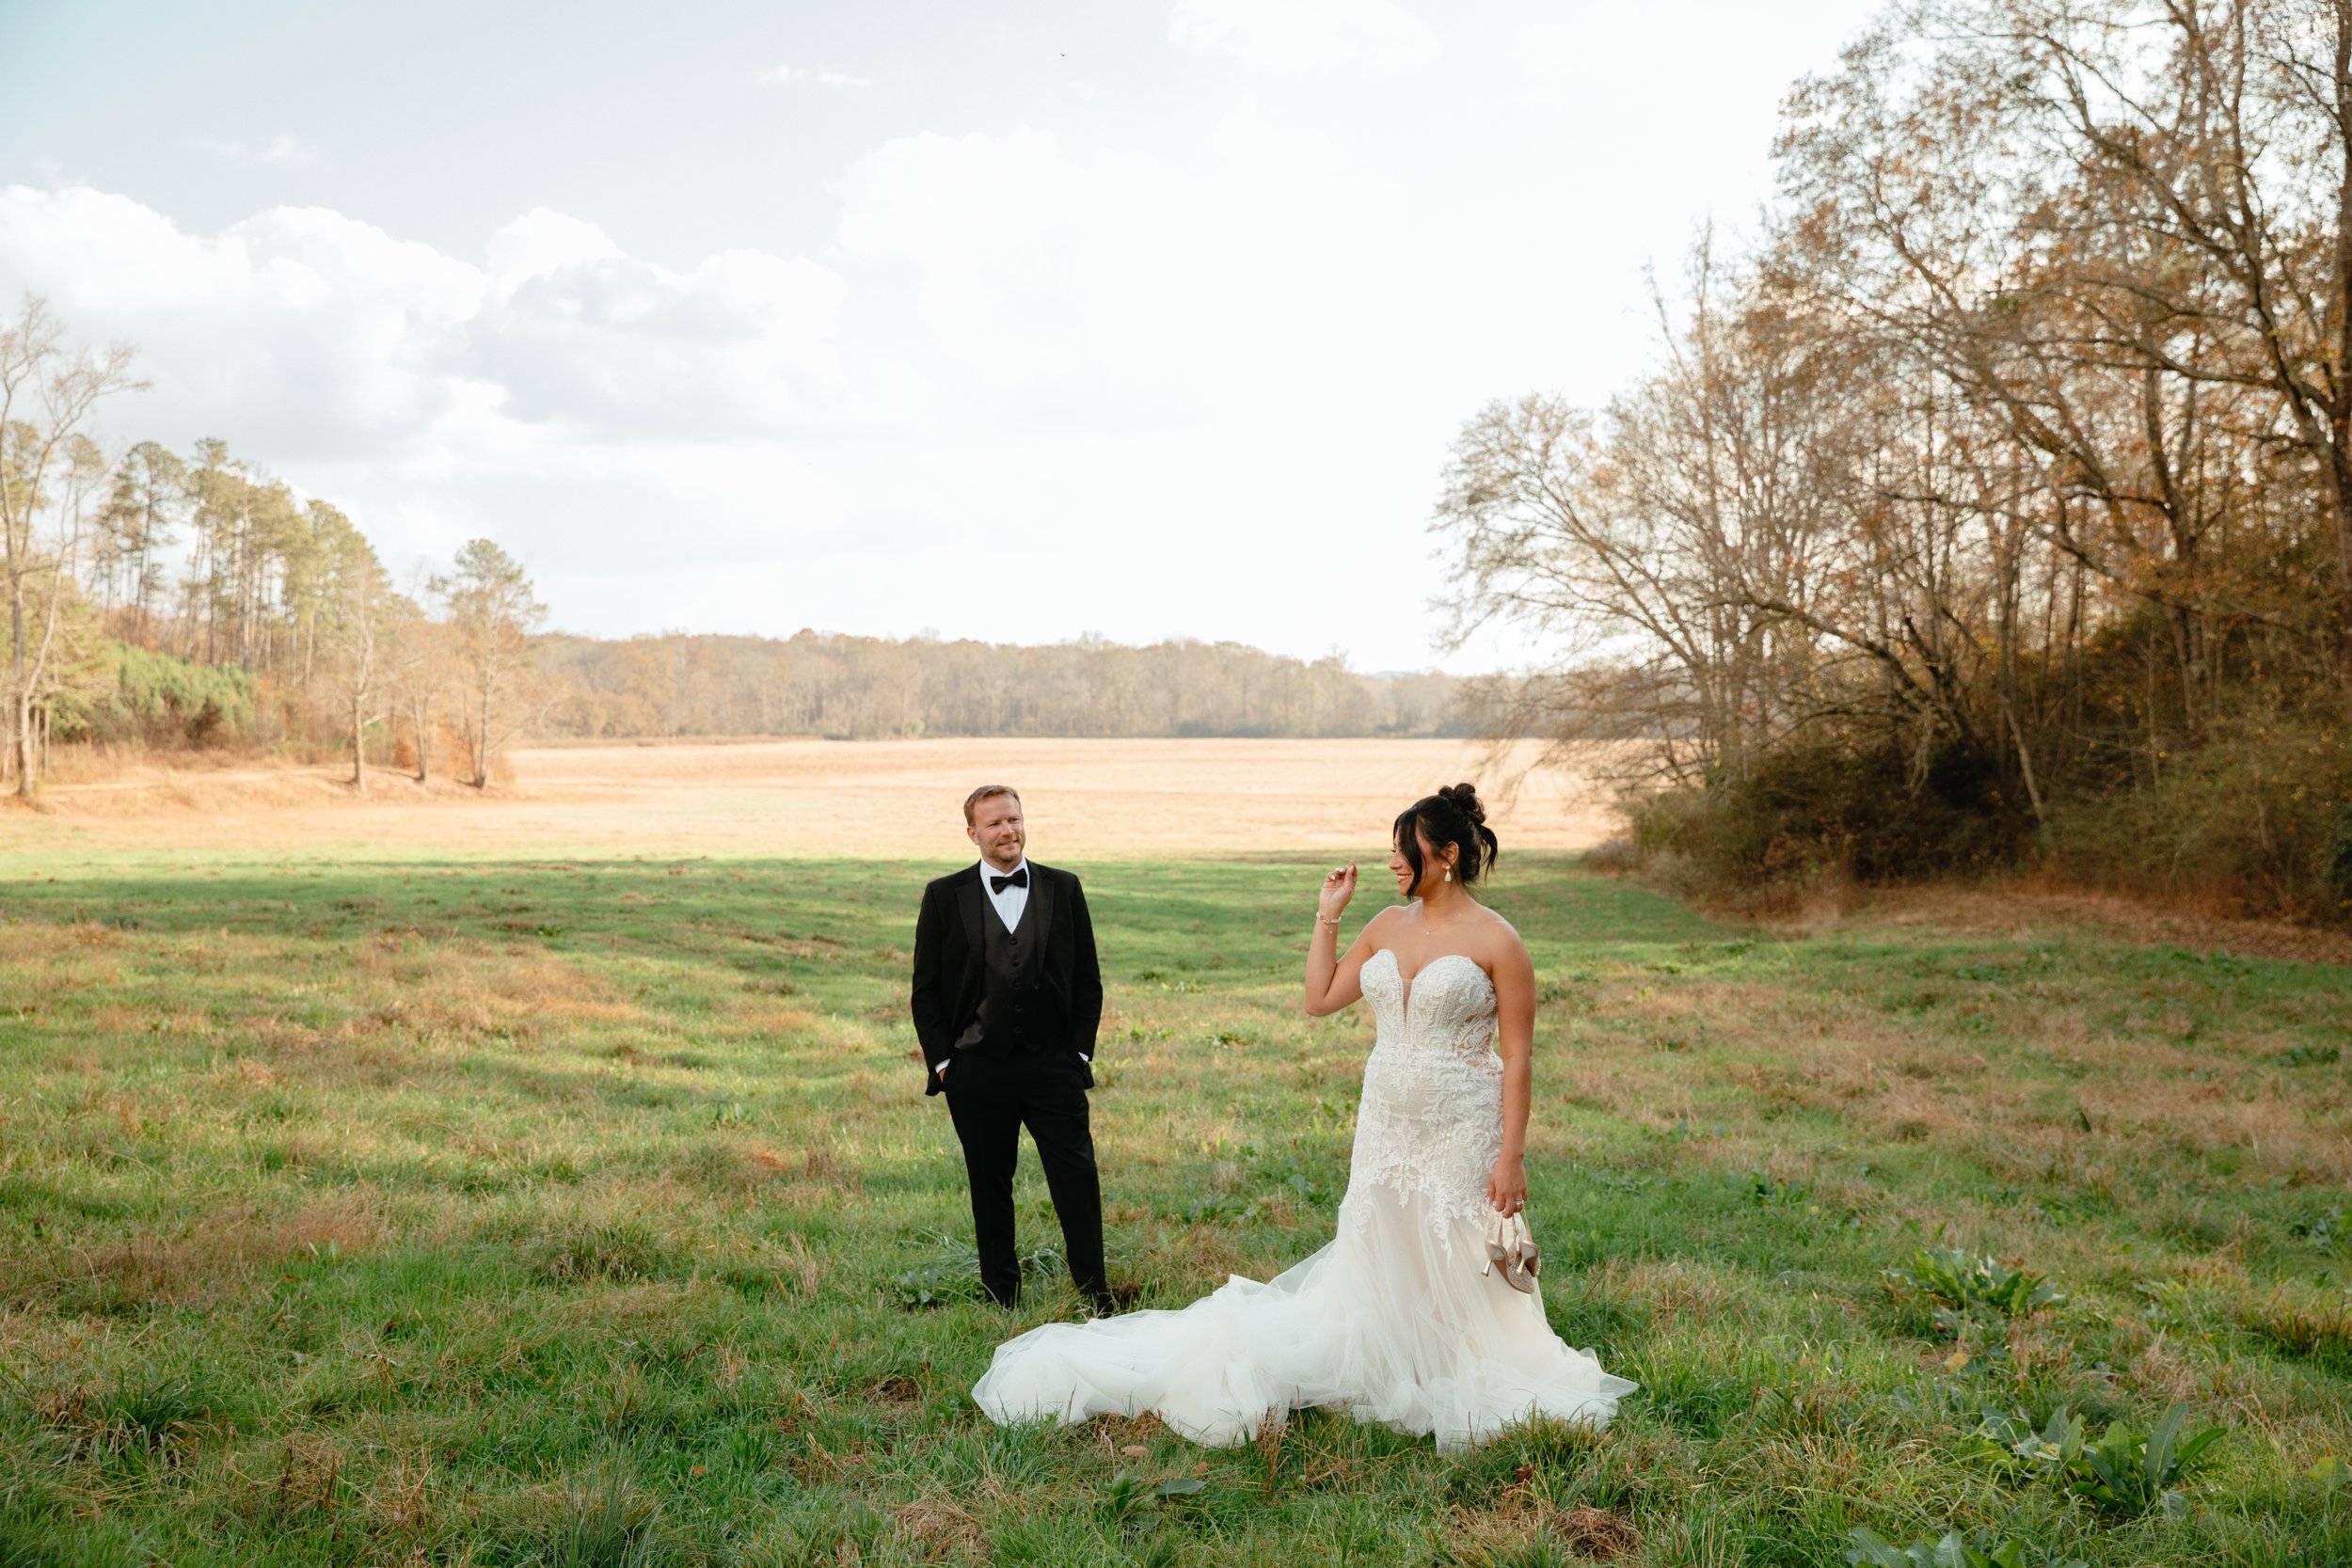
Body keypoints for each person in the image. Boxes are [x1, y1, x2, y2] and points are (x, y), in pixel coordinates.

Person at [970, 783, 1634, 1452]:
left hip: (1462, 1123)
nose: (1393, 862)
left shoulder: (1499, 940)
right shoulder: (1386, 924)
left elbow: (1518, 1057)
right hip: (1386, 1120)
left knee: (1452, 1241)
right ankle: (1388, 1352)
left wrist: (1511, 1157)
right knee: (1382, 1235)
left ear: (1448, 855)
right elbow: (1320, 998)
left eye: (1404, 850)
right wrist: (1328, 915)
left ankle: (1458, 1360)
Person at [910, 784, 1115, 1313]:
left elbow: (1087, 978)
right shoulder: (944, 895)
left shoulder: (1063, 887)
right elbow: (926, 990)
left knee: (1077, 1177)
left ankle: (1095, 1292)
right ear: (973, 833)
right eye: (995, 823)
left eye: (1014, 819)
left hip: (1053, 1068)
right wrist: (945, 1064)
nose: (1008, 831)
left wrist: (1079, 1055)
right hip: (976, 1069)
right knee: (989, 1184)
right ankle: (1002, 1296)